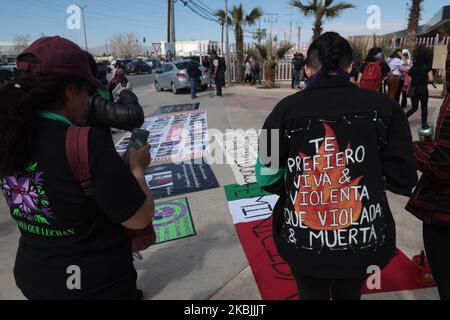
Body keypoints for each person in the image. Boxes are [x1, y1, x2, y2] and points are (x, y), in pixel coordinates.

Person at [256, 32, 418, 300]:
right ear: (350, 67)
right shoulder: (386, 109)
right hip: (365, 240)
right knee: (350, 292)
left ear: (307, 70)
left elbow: (266, 176)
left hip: (303, 240)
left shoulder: (282, 111)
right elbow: (403, 177)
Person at [0, 36, 155, 300]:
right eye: (87, 90)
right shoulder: (82, 142)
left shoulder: (9, 130)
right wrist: (137, 168)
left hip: (35, 277)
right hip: (93, 286)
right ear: (70, 90)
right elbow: (139, 216)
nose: (88, 98)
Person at [406, 49, 450, 300]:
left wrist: (415, 150)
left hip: (443, 213)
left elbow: (268, 168)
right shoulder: (376, 106)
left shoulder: (285, 109)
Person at [405, 47, 434, 129]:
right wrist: (425, 80)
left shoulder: (413, 68)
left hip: (414, 89)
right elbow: (431, 79)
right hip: (423, 89)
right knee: (424, 107)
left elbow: (410, 79)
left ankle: (404, 117)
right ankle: (424, 124)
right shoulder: (427, 67)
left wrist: (408, 90)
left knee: (414, 107)